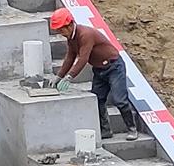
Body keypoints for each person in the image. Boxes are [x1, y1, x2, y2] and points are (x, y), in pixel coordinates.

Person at [51, 7, 141, 140]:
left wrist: (69, 77)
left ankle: (132, 128)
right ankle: (105, 130)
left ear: (70, 24)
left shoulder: (85, 35)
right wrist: (59, 76)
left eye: (61, 29)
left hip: (114, 66)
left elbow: (83, 58)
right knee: (97, 99)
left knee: (119, 99)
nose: (61, 33)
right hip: (99, 70)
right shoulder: (71, 38)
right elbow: (70, 57)